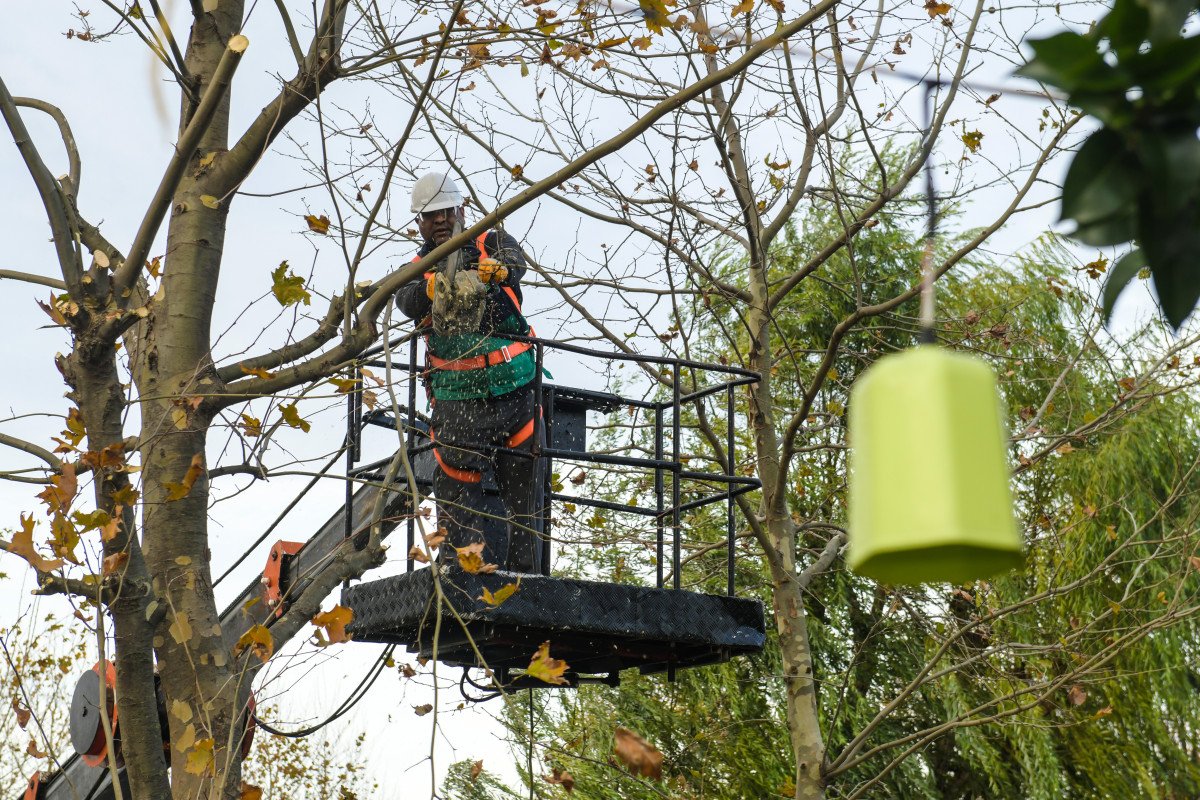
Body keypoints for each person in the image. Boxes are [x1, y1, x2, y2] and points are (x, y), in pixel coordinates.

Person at [396, 171, 544, 573]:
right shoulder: (416, 269)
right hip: (458, 404)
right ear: (419, 224)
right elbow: (404, 299)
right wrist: (428, 289)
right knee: (459, 511)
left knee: (525, 508)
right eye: (431, 215)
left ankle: (525, 584)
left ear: (461, 209)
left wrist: (499, 271)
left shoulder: (491, 242)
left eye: (447, 211)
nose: (441, 220)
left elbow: (516, 262)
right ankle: (463, 583)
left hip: (514, 394)